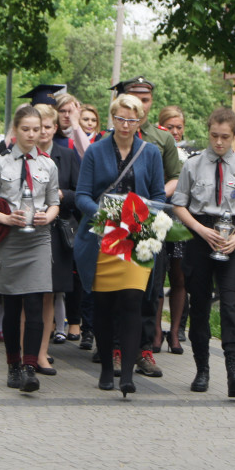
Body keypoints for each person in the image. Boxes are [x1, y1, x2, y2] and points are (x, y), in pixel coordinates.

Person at [75, 94, 166, 397]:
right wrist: (105, 215)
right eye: (120, 118)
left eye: (131, 119)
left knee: (131, 303)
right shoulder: (95, 151)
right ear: (111, 118)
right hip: (103, 238)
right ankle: (104, 368)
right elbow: (82, 195)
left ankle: (127, 374)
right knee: (103, 306)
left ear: (140, 121)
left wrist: (140, 216)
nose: (125, 125)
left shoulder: (150, 153)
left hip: (136, 239)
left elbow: (159, 196)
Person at [172, 107, 235, 397]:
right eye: (214, 136)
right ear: (208, 132)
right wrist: (200, 229)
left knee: (231, 304)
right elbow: (179, 204)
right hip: (201, 235)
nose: (219, 142)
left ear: (234, 136)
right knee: (199, 306)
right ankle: (202, 370)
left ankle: (234, 370)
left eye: (225, 137)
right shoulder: (193, 165)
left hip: (229, 237)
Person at [0, 105, 60, 393]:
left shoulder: (48, 164)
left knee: (36, 304)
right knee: (12, 307)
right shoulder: (0, 163)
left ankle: (29, 367)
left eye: (36, 129)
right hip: (11, 240)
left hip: (38, 239)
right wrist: (5, 218)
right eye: (25, 129)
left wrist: (47, 216)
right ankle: (13, 365)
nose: (31, 134)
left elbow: (54, 202)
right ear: (15, 131)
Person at [105, 76, 181, 377]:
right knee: (117, 288)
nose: (141, 105)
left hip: (150, 221)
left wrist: (155, 203)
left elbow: (175, 176)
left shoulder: (163, 139)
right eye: (135, 98)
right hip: (118, 223)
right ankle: (115, 348)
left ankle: (144, 350)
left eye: (146, 100)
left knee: (150, 289)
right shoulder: (106, 139)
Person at [34, 104, 80, 374]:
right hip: (27, 229)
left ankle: (42, 351)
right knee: (28, 295)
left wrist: (61, 194)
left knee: (49, 293)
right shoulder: (17, 157)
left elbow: (80, 194)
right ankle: (24, 349)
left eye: (47, 127)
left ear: (55, 128)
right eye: (37, 127)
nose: (42, 132)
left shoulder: (67, 155)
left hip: (56, 230)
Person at [157, 105, 191, 354]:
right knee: (158, 277)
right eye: (170, 127)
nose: (176, 132)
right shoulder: (156, 149)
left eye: (179, 127)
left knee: (179, 277)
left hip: (180, 220)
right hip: (159, 216)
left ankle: (176, 332)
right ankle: (156, 331)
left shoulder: (190, 155)